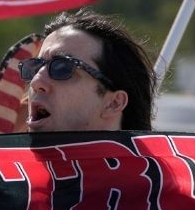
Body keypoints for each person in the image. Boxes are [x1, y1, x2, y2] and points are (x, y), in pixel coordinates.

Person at [21, 8, 154, 133]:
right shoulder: (2, 154)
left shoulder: (160, 158)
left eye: (62, 68)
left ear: (114, 103)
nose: (36, 82)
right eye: (35, 66)